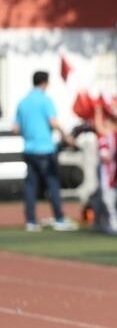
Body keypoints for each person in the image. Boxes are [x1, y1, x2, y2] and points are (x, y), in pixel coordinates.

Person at [13, 71, 75, 231]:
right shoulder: (45, 100)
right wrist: (66, 136)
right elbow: (53, 122)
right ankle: (59, 218)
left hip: (29, 149)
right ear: (45, 83)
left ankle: (31, 221)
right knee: (52, 184)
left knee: (31, 186)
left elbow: (15, 128)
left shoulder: (23, 102)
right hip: (45, 149)